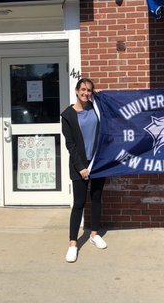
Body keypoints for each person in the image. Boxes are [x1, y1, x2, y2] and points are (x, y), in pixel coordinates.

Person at [61, 78, 107, 263]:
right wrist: (80, 167)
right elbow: (70, 145)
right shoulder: (68, 115)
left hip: (97, 162)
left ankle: (94, 234)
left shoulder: (96, 109)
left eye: (89, 90)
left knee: (96, 198)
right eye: (83, 89)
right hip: (79, 164)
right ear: (76, 91)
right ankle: (73, 244)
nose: (86, 93)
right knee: (79, 203)